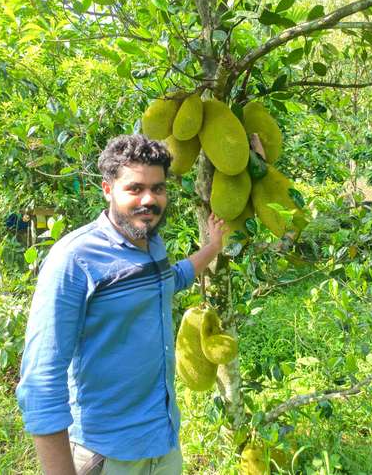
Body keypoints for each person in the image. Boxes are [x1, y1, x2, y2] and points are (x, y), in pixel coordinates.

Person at [16, 134, 226, 475]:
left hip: (164, 444)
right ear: (108, 189)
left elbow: (170, 281)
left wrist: (213, 246)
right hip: (108, 455)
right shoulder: (75, 259)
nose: (149, 199)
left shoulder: (152, 245)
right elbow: (41, 381)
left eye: (158, 189)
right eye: (135, 188)